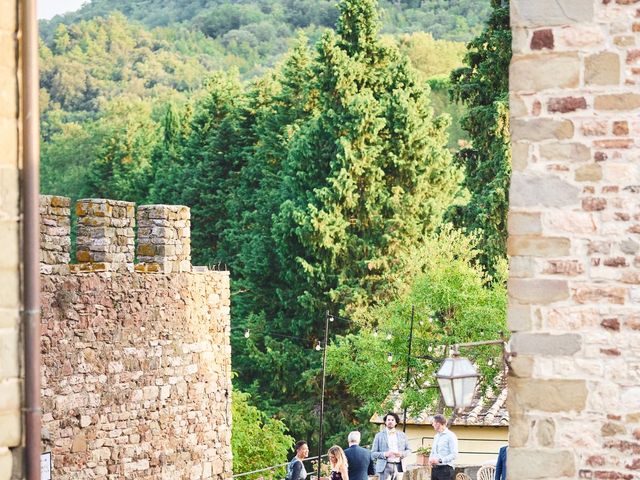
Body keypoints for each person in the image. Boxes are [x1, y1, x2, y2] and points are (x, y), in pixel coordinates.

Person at [371, 412, 412, 480]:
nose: (390, 422)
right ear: (385, 422)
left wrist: (401, 454)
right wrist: (385, 454)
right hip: (384, 466)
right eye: (388, 420)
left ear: (396, 422)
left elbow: (409, 450)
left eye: (392, 420)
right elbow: (373, 453)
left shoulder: (402, 435)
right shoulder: (379, 435)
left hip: (399, 466)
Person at [428, 414, 458, 480]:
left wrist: (440, 460)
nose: (432, 425)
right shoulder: (436, 436)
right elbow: (433, 451)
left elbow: (454, 454)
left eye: (433, 423)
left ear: (438, 423)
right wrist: (430, 460)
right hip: (435, 469)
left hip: (446, 470)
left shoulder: (451, 436)